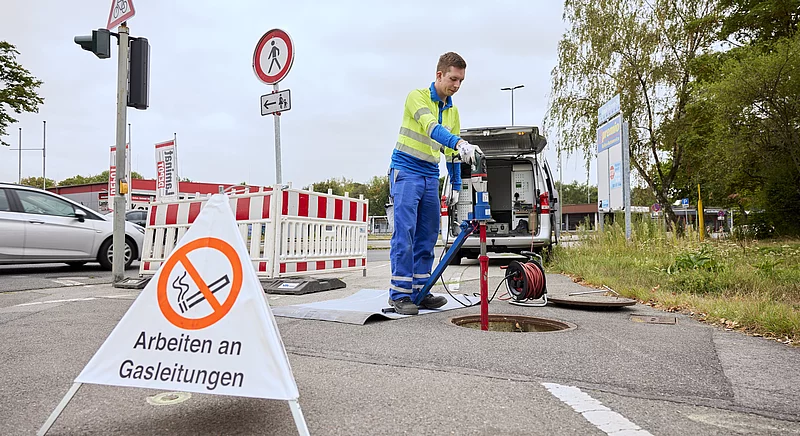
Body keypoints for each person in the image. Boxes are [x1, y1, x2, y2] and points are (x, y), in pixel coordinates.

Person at [387, 52, 482, 315]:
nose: (456, 85)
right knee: (405, 232)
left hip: (430, 173)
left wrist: (455, 184)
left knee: (427, 235)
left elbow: (451, 154)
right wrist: (459, 143)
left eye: (461, 81)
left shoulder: (453, 111)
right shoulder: (416, 97)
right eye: (453, 79)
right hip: (405, 169)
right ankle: (399, 294)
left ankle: (421, 290)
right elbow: (431, 128)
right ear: (439, 75)